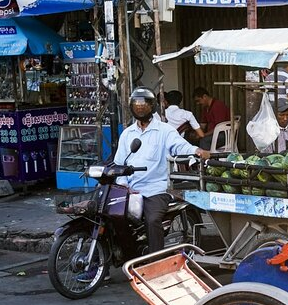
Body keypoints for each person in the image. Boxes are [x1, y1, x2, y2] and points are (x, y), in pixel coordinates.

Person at [77, 87, 210, 281]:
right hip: (128, 189)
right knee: (103, 216)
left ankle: (157, 268)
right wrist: (123, 184)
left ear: (152, 106)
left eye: (143, 105)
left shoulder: (164, 130)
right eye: (136, 105)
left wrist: (196, 150)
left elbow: (180, 146)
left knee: (152, 220)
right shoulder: (128, 133)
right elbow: (120, 161)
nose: (139, 109)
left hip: (155, 189)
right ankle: (100, 267)